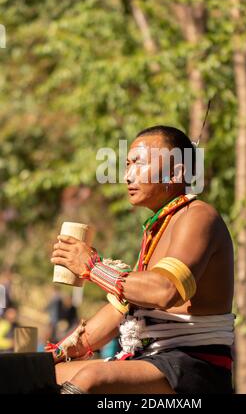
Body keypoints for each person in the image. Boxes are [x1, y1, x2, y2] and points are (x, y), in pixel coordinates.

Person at [47, 125, 234, 394]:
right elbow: (123, 307)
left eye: (139, 163)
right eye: (127, 164)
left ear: (177, 172)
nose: (128, 175)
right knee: (38, 375)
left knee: (91, 379)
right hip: (150, 361)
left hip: (194, 366)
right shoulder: (157, 228)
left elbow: (165, 290)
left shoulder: (198, 216)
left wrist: (93, 267)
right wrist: (64, 350)